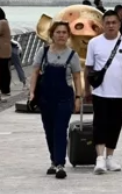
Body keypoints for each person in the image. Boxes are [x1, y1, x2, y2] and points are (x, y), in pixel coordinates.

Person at [85, 10, 122, 174]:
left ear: (119, 24)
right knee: (99, 125)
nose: (111, 25)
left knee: (115, 125)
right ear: (102, 24)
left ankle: (110, 157)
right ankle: (99, 158)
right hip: (100, 92)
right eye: (107, 22)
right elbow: (88, 67)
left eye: (114, 22)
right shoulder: (94, 43)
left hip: (120, 92)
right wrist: (86, 90)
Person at [28, 21, 83, 179]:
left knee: (60, 129)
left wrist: (78, 97)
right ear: (52, 34)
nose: (61, 35)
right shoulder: (43, 52)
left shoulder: (72, 55)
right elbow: (35, 72)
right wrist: (32, 93)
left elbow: (77, 77)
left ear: (68, 35)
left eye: (64, 32)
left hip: (64, 98)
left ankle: (60, 164)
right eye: (58, 32)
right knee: (49, 130)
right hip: (45, 97)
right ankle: (53, 160)